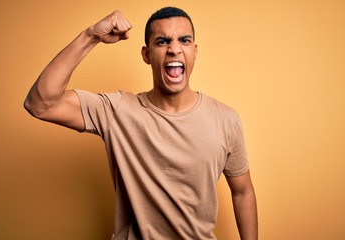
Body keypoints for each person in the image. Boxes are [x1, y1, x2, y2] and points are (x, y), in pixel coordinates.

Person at [24, 6, 258, 240]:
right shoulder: (117, 111)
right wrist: (90, 36)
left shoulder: (226, 119)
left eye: (184, 40)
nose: (174, 49)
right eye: (162, 41)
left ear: (194, 51)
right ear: (146, 54)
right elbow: (41, 103)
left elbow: (242, 192)